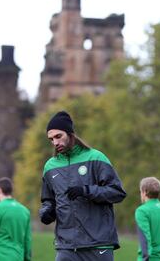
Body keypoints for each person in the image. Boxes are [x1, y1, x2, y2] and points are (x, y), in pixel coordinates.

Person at [39, 111, 127, 261]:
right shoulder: (50, 167)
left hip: (97, 245)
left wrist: (86, 191)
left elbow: (117, 192)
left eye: (58, 136)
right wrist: (47, 212)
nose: (55, 142)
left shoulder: (96, 158)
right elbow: (48, 200)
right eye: (51, 139)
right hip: (65, 247)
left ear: (70, 134)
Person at [135, 177, 160, 261]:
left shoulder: (142, 211)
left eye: (140, 191)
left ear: (145, 191)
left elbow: (145, 238)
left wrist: (145, 258)